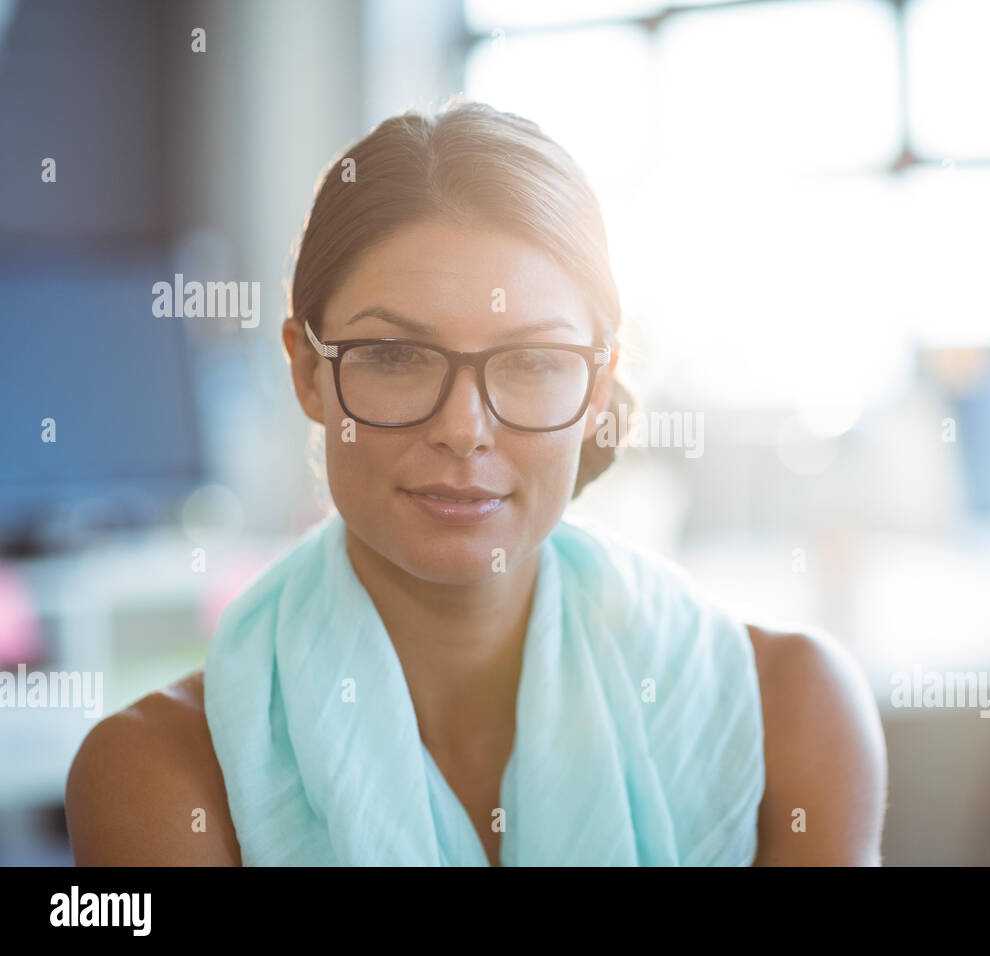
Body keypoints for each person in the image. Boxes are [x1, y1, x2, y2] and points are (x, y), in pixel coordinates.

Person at [63, 101, 886, 865]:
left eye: (532, 362)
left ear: (596, 390)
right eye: (394, 355)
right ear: (309, 373)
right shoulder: (160, 776)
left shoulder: (793, 715)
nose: (464, 428)